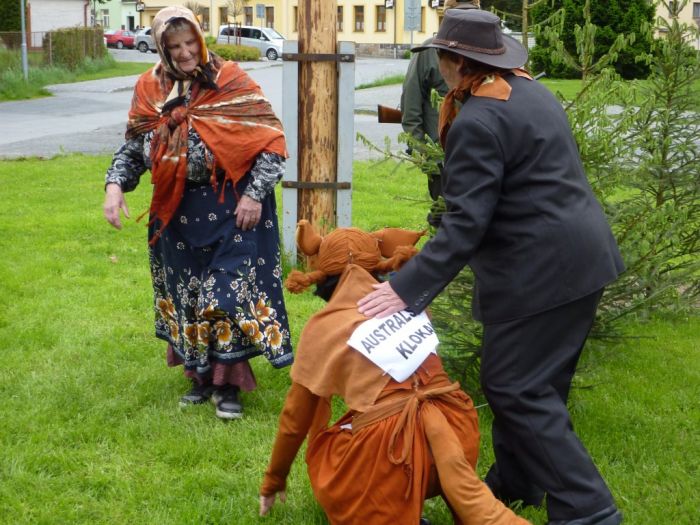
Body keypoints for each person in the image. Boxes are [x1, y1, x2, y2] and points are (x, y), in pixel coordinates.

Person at [359, 9, 625, 525]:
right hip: (580, 262)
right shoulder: (530, 93)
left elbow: (465, 225)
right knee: (537, 386)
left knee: (514, 387)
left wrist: (404, 289)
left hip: (540, 273)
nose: (438, 65)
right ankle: (518, 483)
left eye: (441, 55)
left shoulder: (479, 120)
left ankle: (589, 511)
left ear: (456, 62)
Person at [258, 221, 531, 525]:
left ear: (321, 279)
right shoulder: (408, 300)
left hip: (393, 456)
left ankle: (382, 507)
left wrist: (274, 479)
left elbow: (295, 420)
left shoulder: (322, 328)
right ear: (379, 267)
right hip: (458, 429)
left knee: (328, 448)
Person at [103, 6, 293, 420]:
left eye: (190, 42)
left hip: (234, 207)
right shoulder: (149, 90)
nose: (186, 53)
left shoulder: (230, 80)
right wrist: (115, 186)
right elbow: (135, 149)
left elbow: (272, 143)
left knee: (223, 297)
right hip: (176, 211)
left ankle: (229, 387)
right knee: (186, 296)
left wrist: (254, 195)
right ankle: (202, 377)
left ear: (201, 39)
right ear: (162, 49)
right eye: (175, 46)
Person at [400, 0, 480, 227]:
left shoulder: (485, 53)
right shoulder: (428, 52)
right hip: (440, 155)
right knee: (445, 219)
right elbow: (411, 102)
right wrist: (421, 151)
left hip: (480, 153)